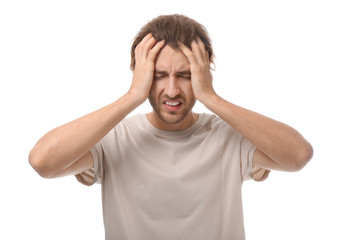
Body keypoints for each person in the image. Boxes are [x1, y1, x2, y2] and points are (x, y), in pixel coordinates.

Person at [29, 14, 313, 240]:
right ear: (140, 74)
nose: (173, 90)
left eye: (185, 75)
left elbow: (298, 155)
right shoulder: (114, 138)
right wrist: (131, 97)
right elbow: (43, 162)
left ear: (204, 72)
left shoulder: (230, 136)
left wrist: (211, 97)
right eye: (160, 75)